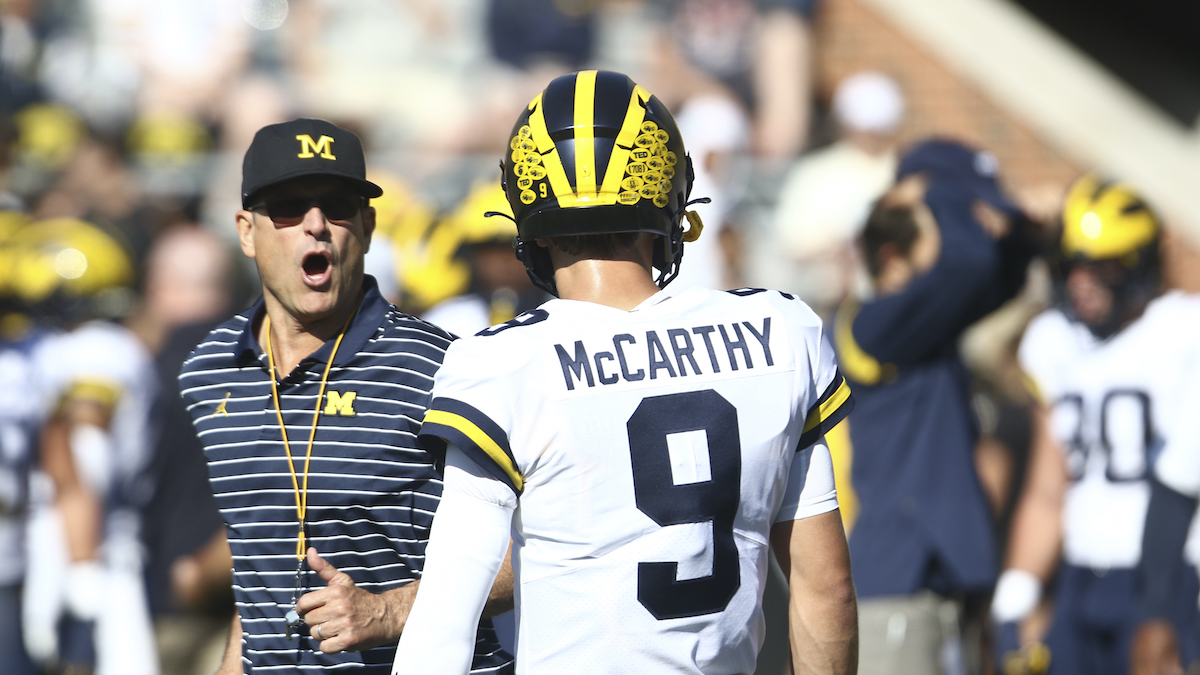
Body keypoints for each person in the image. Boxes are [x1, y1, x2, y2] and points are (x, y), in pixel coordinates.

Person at [392, 70, 858, 675]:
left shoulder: (500, 363)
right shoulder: (780, 330)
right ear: (669, 194)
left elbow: (445, 620)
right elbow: (828, 592)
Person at [178, 118, 514, 674]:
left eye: (337, 206)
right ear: (245, 231)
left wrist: (389, 611)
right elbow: (260, 568)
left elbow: (537, 545)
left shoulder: (445, 368)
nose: (316, 225)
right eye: (287, 207)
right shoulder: (212, 370)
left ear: (368, 225)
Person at [834, 139, 1041, 675]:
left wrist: (1024, 223)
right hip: (897, 588)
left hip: (940, 586)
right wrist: (940, 190)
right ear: (892, 255)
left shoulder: (922, 325)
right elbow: (969, 263)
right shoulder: (873, 325)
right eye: (936, 243)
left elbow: (1001, 273)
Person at [993, 175, 1200, 675]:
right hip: (1081, 576)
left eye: (1101, 266)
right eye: (1072, 266)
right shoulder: (1055, 340)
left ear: (1140, 263)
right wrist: (1015, 598)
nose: (1082, 282)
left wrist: (1161, 607)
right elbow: (1048, 489)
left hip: (1172, 575)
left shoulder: (1181, 330)